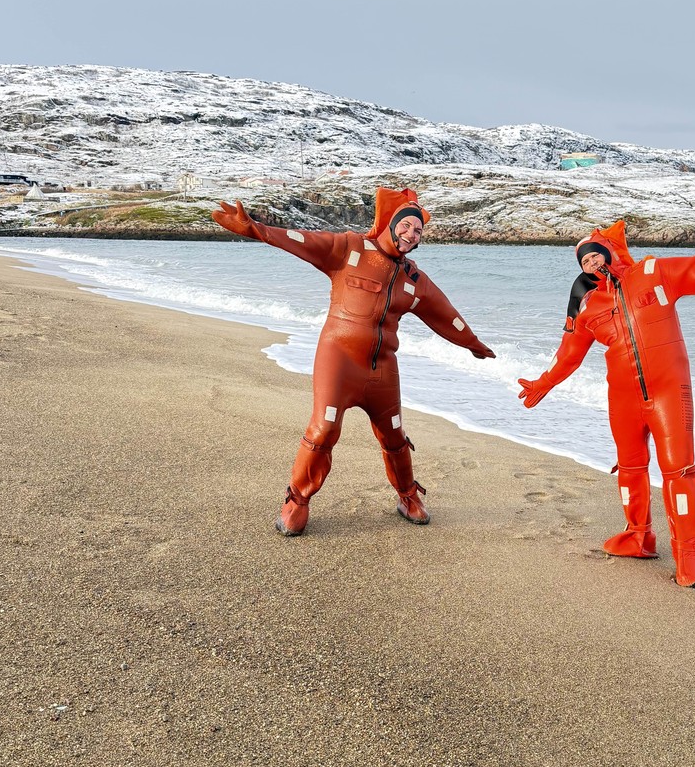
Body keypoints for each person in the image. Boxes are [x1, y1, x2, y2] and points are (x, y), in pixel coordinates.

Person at [517, 218, 695, 587]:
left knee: (679, 471)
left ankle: (692, 552)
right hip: (622, 398)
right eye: (584, 263)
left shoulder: (653, 272)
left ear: (610, 252)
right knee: (630, 469)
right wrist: (543, 383)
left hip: (668, 392)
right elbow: (568, 354)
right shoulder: (588, 307)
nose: (591, 265)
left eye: (595, 256)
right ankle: (638, 536)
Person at [212, 187, 495, 533]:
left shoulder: (413, 278)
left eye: (418, 230)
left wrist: (473, 343)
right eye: (406, 225)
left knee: (394, 436)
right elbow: (302, 241)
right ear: (391, 225)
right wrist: (256, 229)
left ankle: (408, 495)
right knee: (324, 429)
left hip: (382, 370)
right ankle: (297, 501)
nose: (411, 233)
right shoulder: (349, 248)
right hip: (339, 361)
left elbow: (444, 313)